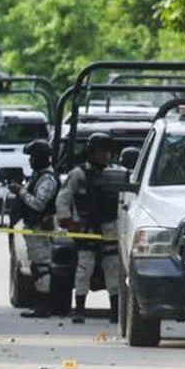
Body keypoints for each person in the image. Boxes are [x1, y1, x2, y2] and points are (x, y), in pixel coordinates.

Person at [56, 133, 121, 324]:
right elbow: (63, 199)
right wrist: (68, 222)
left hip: (110, 228)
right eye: (102, 151)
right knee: (84, 268)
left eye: (108, 152)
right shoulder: (78, 174)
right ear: (92, 152)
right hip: (86, 229)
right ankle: (79, 309)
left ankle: (115, 310)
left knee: (113, 268)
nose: (105, 155)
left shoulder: (116, 174)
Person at [9, 139, 59, 318]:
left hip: (41, 230)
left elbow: (38, 204)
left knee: (42, 267)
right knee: (37, 266)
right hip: (33, 229)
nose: (30, 160)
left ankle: (43, 305)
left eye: (32, 157)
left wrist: (21, 191)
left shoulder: (47, 179)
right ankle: (39, 303)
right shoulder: (38, 176)